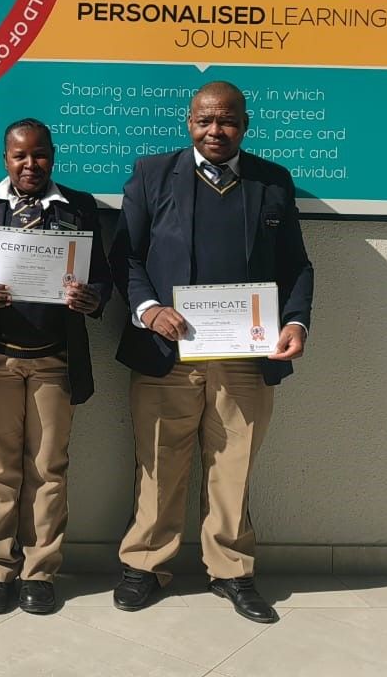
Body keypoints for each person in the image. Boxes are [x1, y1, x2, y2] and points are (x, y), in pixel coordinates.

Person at [108, 80, 314, 623]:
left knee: (234, 465)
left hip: (245, 358)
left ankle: (231, 571)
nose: (214, 131)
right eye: (204, 120)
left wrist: (295, 322)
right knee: (159, 462)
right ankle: (145, 564)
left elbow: (296, 264)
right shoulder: (152, 174)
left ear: (245, 124)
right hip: (166, 353)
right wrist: (148, 308)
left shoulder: (272, 181)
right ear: (188, 121)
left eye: (226, 121)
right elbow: (124, 256)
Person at [0, 118, 111, 615]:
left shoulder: (78, 207)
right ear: (4, 158)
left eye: (40, 155)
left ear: (53, 155)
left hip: (54, 361)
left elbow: (103, 280)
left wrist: (91, 298)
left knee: (48, 471)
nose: (30, 165)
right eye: (20, 156)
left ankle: (39, 572)